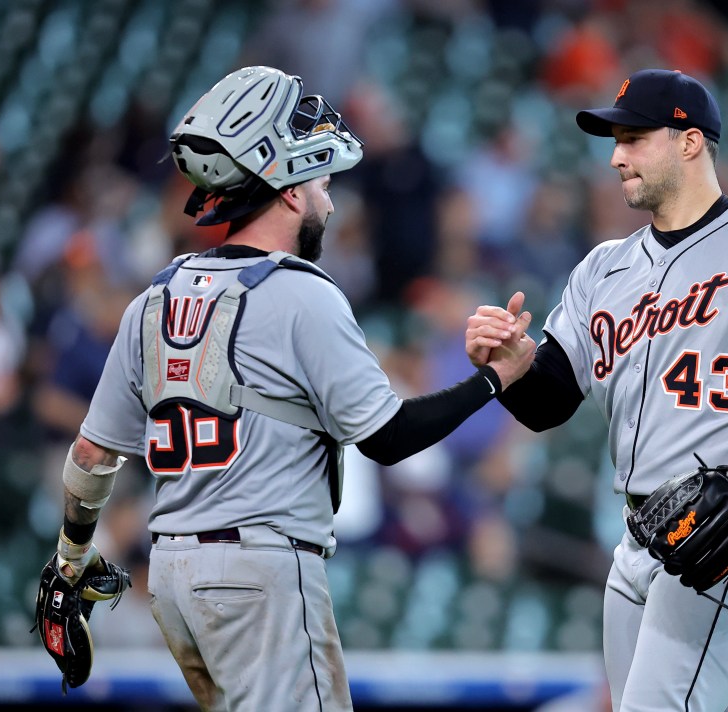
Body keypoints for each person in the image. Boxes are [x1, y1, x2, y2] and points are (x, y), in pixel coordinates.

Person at [43, 66, 534, 712]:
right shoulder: (302, 292)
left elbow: (90, 457)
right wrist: (496, 380)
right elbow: (388, 439)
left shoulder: (152, 297)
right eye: (324, 184)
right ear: (292, 193)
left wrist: (70, 564)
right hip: (259, 569)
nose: (330, 202)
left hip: (172, 576)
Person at [465, 69, 728, 711]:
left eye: (634, 137)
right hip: (640, 534)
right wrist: (507, 372)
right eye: (614, 139)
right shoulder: (602, 268)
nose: (616, 155)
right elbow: (549, 403)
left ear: (690, 142)